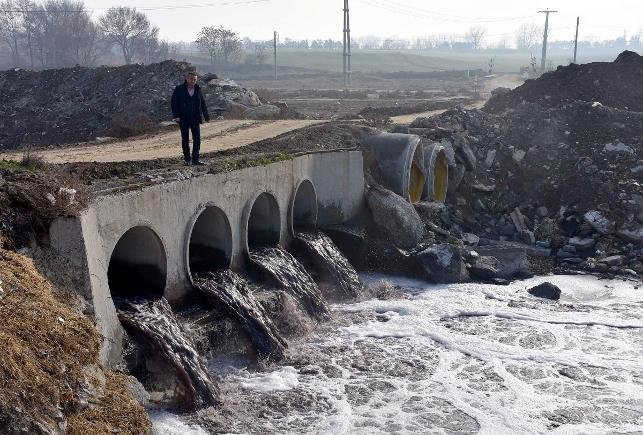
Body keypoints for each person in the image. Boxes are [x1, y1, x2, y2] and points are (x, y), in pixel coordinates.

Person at [171, 70, 210, 166]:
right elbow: (174, 103)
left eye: (195, 79)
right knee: (185, 139)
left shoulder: (198, 89)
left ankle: (195, 160)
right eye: (191, 79)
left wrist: (206, 116)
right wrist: (176, 116)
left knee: (197, 139)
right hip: (183, 118)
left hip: (195, 118)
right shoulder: (179, 89)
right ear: (186, 79)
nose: (193, 81)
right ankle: (187, 159)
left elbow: (203, 103)